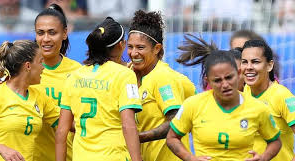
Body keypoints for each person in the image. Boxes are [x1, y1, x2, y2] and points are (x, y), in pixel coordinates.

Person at [167, 35, 282, 160]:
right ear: (208, 82)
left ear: (239, 74)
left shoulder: (258, 108)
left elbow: (275, 141)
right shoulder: (192, 105)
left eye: (229, 77)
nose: (225, 85)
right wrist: (190, 158)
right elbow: (172, 138)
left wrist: (263, 158)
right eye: (217, 80)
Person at [55, 17, 142, 161]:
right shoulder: (124, 74)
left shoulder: (74, 77)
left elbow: (61, 132)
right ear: (122, 45)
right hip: (114, 156)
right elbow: (128, 126)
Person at [127, 10, 196, 161]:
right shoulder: (128, 74)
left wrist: (135, 137)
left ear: (156, 48)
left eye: (140, 47)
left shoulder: (162, 77)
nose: (133, 53)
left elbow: (174, 121)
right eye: (130, 47)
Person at [0, 40, 60, 161]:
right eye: (40, 62)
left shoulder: (40, 97)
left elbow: (67, 124)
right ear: (28, 66)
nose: (43, 67)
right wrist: (1, 148)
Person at [33, 3, 82, 161]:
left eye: (52, 33)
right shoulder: (25, 71)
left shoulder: (78, 72)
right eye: (40, 33)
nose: (46, 39)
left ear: (65, 33)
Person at [241, 39, 295, 161]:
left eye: (255, 62)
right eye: (244, 62)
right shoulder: (245, 92)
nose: (248, 67)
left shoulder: (282, 95)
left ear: (269, 65)